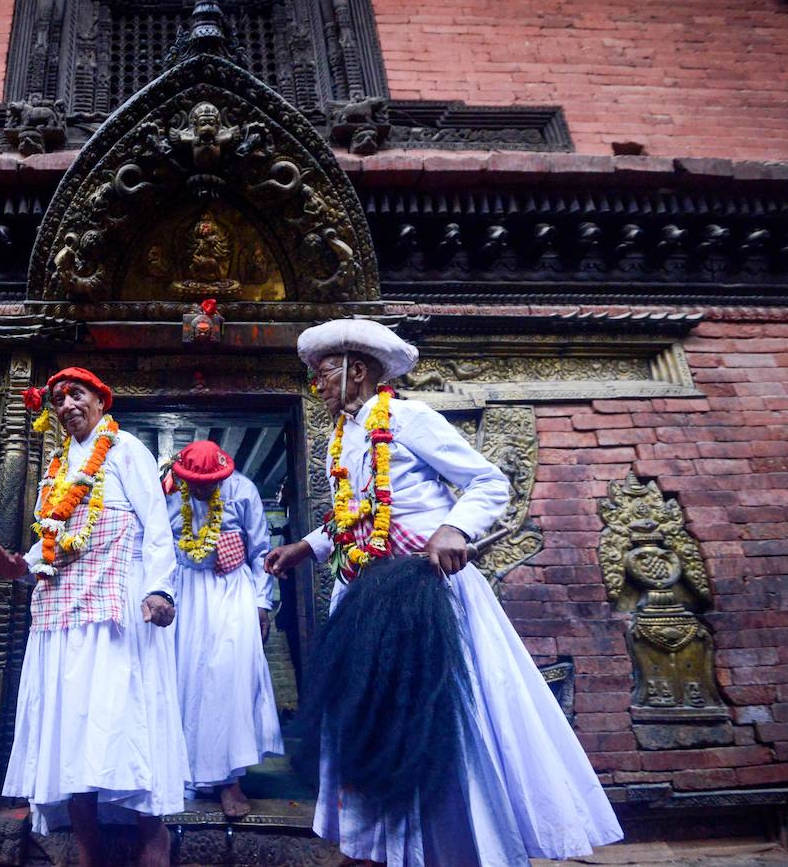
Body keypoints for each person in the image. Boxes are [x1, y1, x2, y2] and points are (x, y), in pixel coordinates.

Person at [265, 319, 623, 866]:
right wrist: (306, 548)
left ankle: (454, 845)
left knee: (435, 720)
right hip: (365, 598)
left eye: (321, 371)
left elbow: (488, 483)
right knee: (369, 721)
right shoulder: (343, 435)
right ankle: (378, 844)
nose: (314, 382)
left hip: (424, 595)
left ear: (356, 370)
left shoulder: (409, 418)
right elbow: (354, 516)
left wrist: (455, 529)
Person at [0, 368, 186, 867]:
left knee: (127, 714)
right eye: (59, 399)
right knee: (68, 721)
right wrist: (17, 566)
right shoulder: (55, 468)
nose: (68, 404)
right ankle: (86, 847)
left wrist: (158, 588)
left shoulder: (125, 449)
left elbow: (156, 525)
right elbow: (52, 543)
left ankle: (152, 837)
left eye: (78, 394)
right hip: (61, 613)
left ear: (100, 400)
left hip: (117, 607)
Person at [164, 440, 282, 818]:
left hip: (232, 590)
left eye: (209, 484)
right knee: (185, 681)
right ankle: (184, 774)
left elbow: (261, 551)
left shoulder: (243, 490)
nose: (201, 491)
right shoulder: (167, 490)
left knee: (229, 680)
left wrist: (262, 605)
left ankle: (230, 779)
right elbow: (156, 545)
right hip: (185, 591)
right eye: (194, 485)